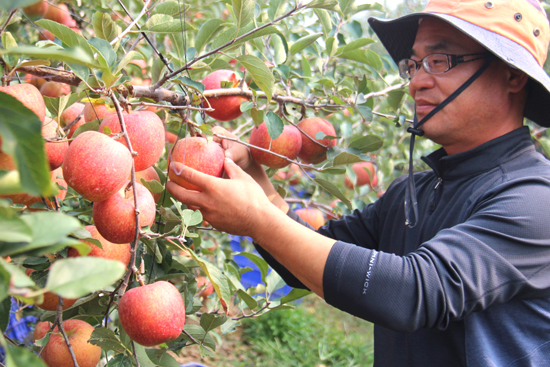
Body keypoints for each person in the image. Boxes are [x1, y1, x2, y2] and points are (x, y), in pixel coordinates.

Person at [167, 0, 550, 365]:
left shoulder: (534, 200)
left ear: (512, 75)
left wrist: (257, 219)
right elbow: (309, 254)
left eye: (439, 60)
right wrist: (256, 179)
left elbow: (412, 292)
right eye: (413, 65)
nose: (417, 83)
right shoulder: (413, 192)